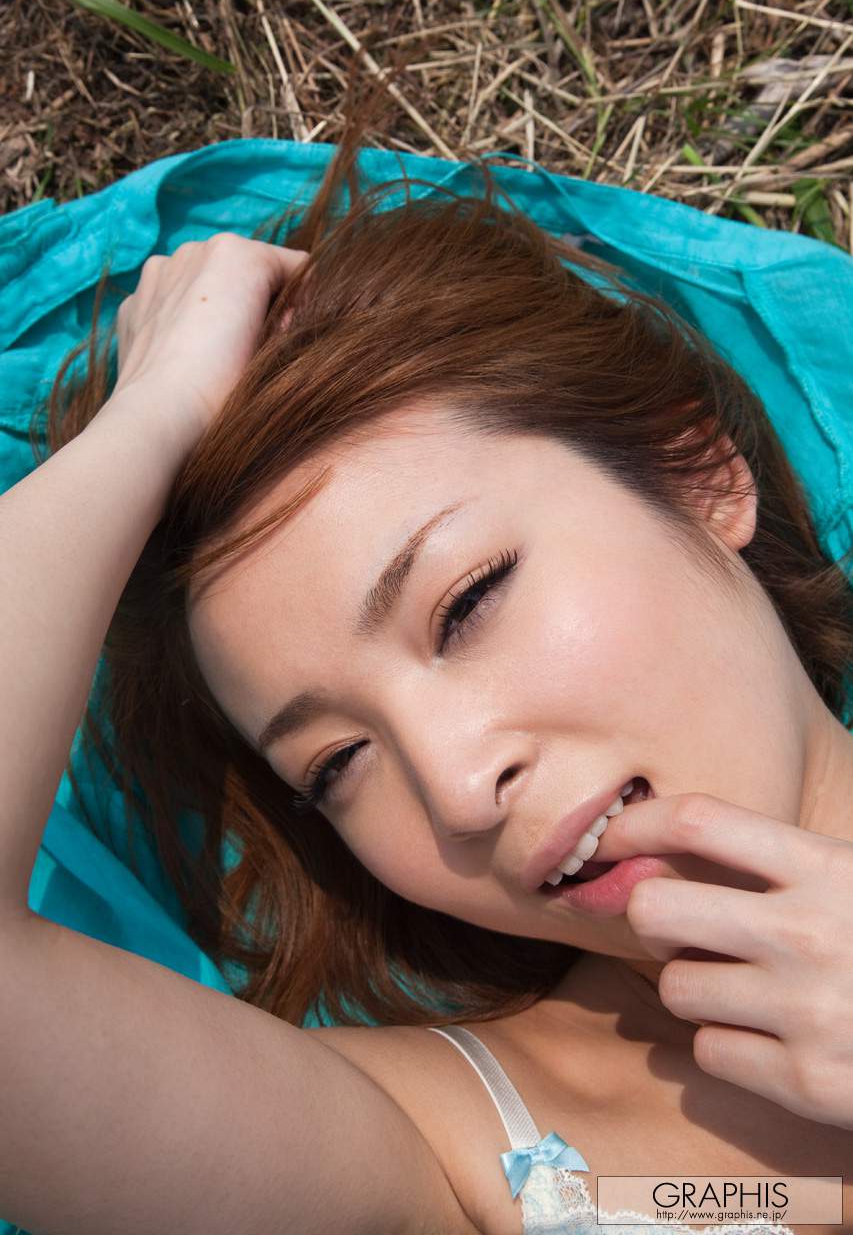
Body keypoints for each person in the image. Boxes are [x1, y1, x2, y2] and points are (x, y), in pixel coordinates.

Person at [0, 110, 851, 1235]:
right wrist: (149, 419)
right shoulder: (472, 1155)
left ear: (696, 471)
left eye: (467, 602)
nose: (455, 787)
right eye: (338, 764)